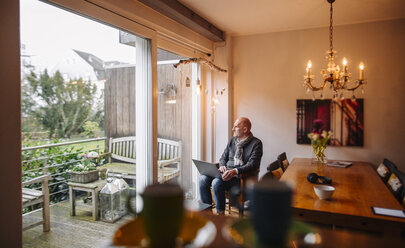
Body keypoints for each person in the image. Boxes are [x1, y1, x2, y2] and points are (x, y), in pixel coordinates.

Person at [199, 117, 263, 214]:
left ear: (245, 129)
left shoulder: (256, 143)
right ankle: (207, 213)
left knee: (216, 182)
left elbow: (253, 164)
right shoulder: (232, 140)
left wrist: (235, 171)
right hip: (225, 173)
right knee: (203, 179)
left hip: (240, 179)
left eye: (236, 127)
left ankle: (220, 215)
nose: (233, 129)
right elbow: (223, 158)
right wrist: (222, 165)